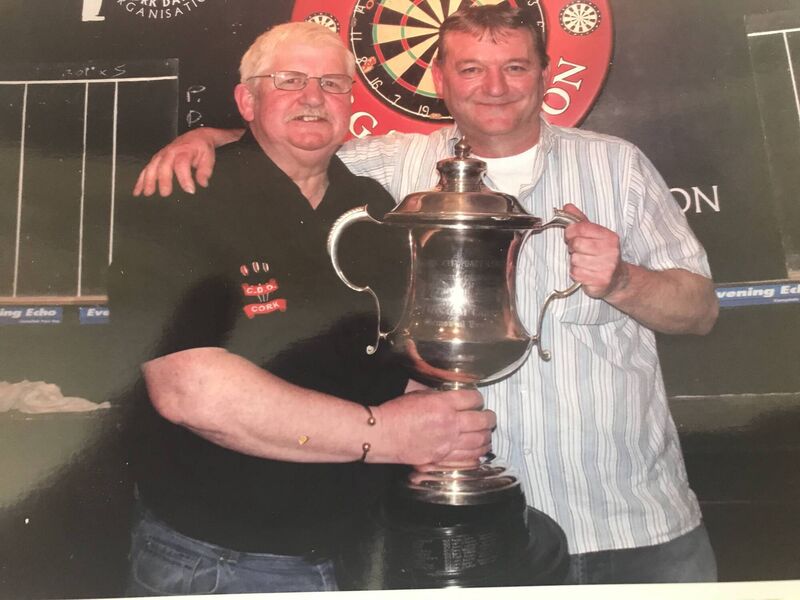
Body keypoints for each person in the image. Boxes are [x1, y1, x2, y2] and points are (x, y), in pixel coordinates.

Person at [131, 5, 721, 585]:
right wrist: (206, 138)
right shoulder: (395, 171)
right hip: (456, 528)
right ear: (441, 81)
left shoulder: (617, 166)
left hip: (631, 520)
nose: (493, 87)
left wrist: (623, 281)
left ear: (546, 74)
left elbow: (700, 313)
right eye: (469, 69)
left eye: (515, 67)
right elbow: (290, 136)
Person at [108, 21, 495, 595]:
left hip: (360, 549)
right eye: (289, 80)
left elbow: (379, 359)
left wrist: (438, 423)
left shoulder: (371, 207)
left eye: (334, 84)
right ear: (248, 99)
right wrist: (384, 434)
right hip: (223, 562)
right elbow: (189, 388)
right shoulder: (182, 195)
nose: (314, 97)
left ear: (351, 105)